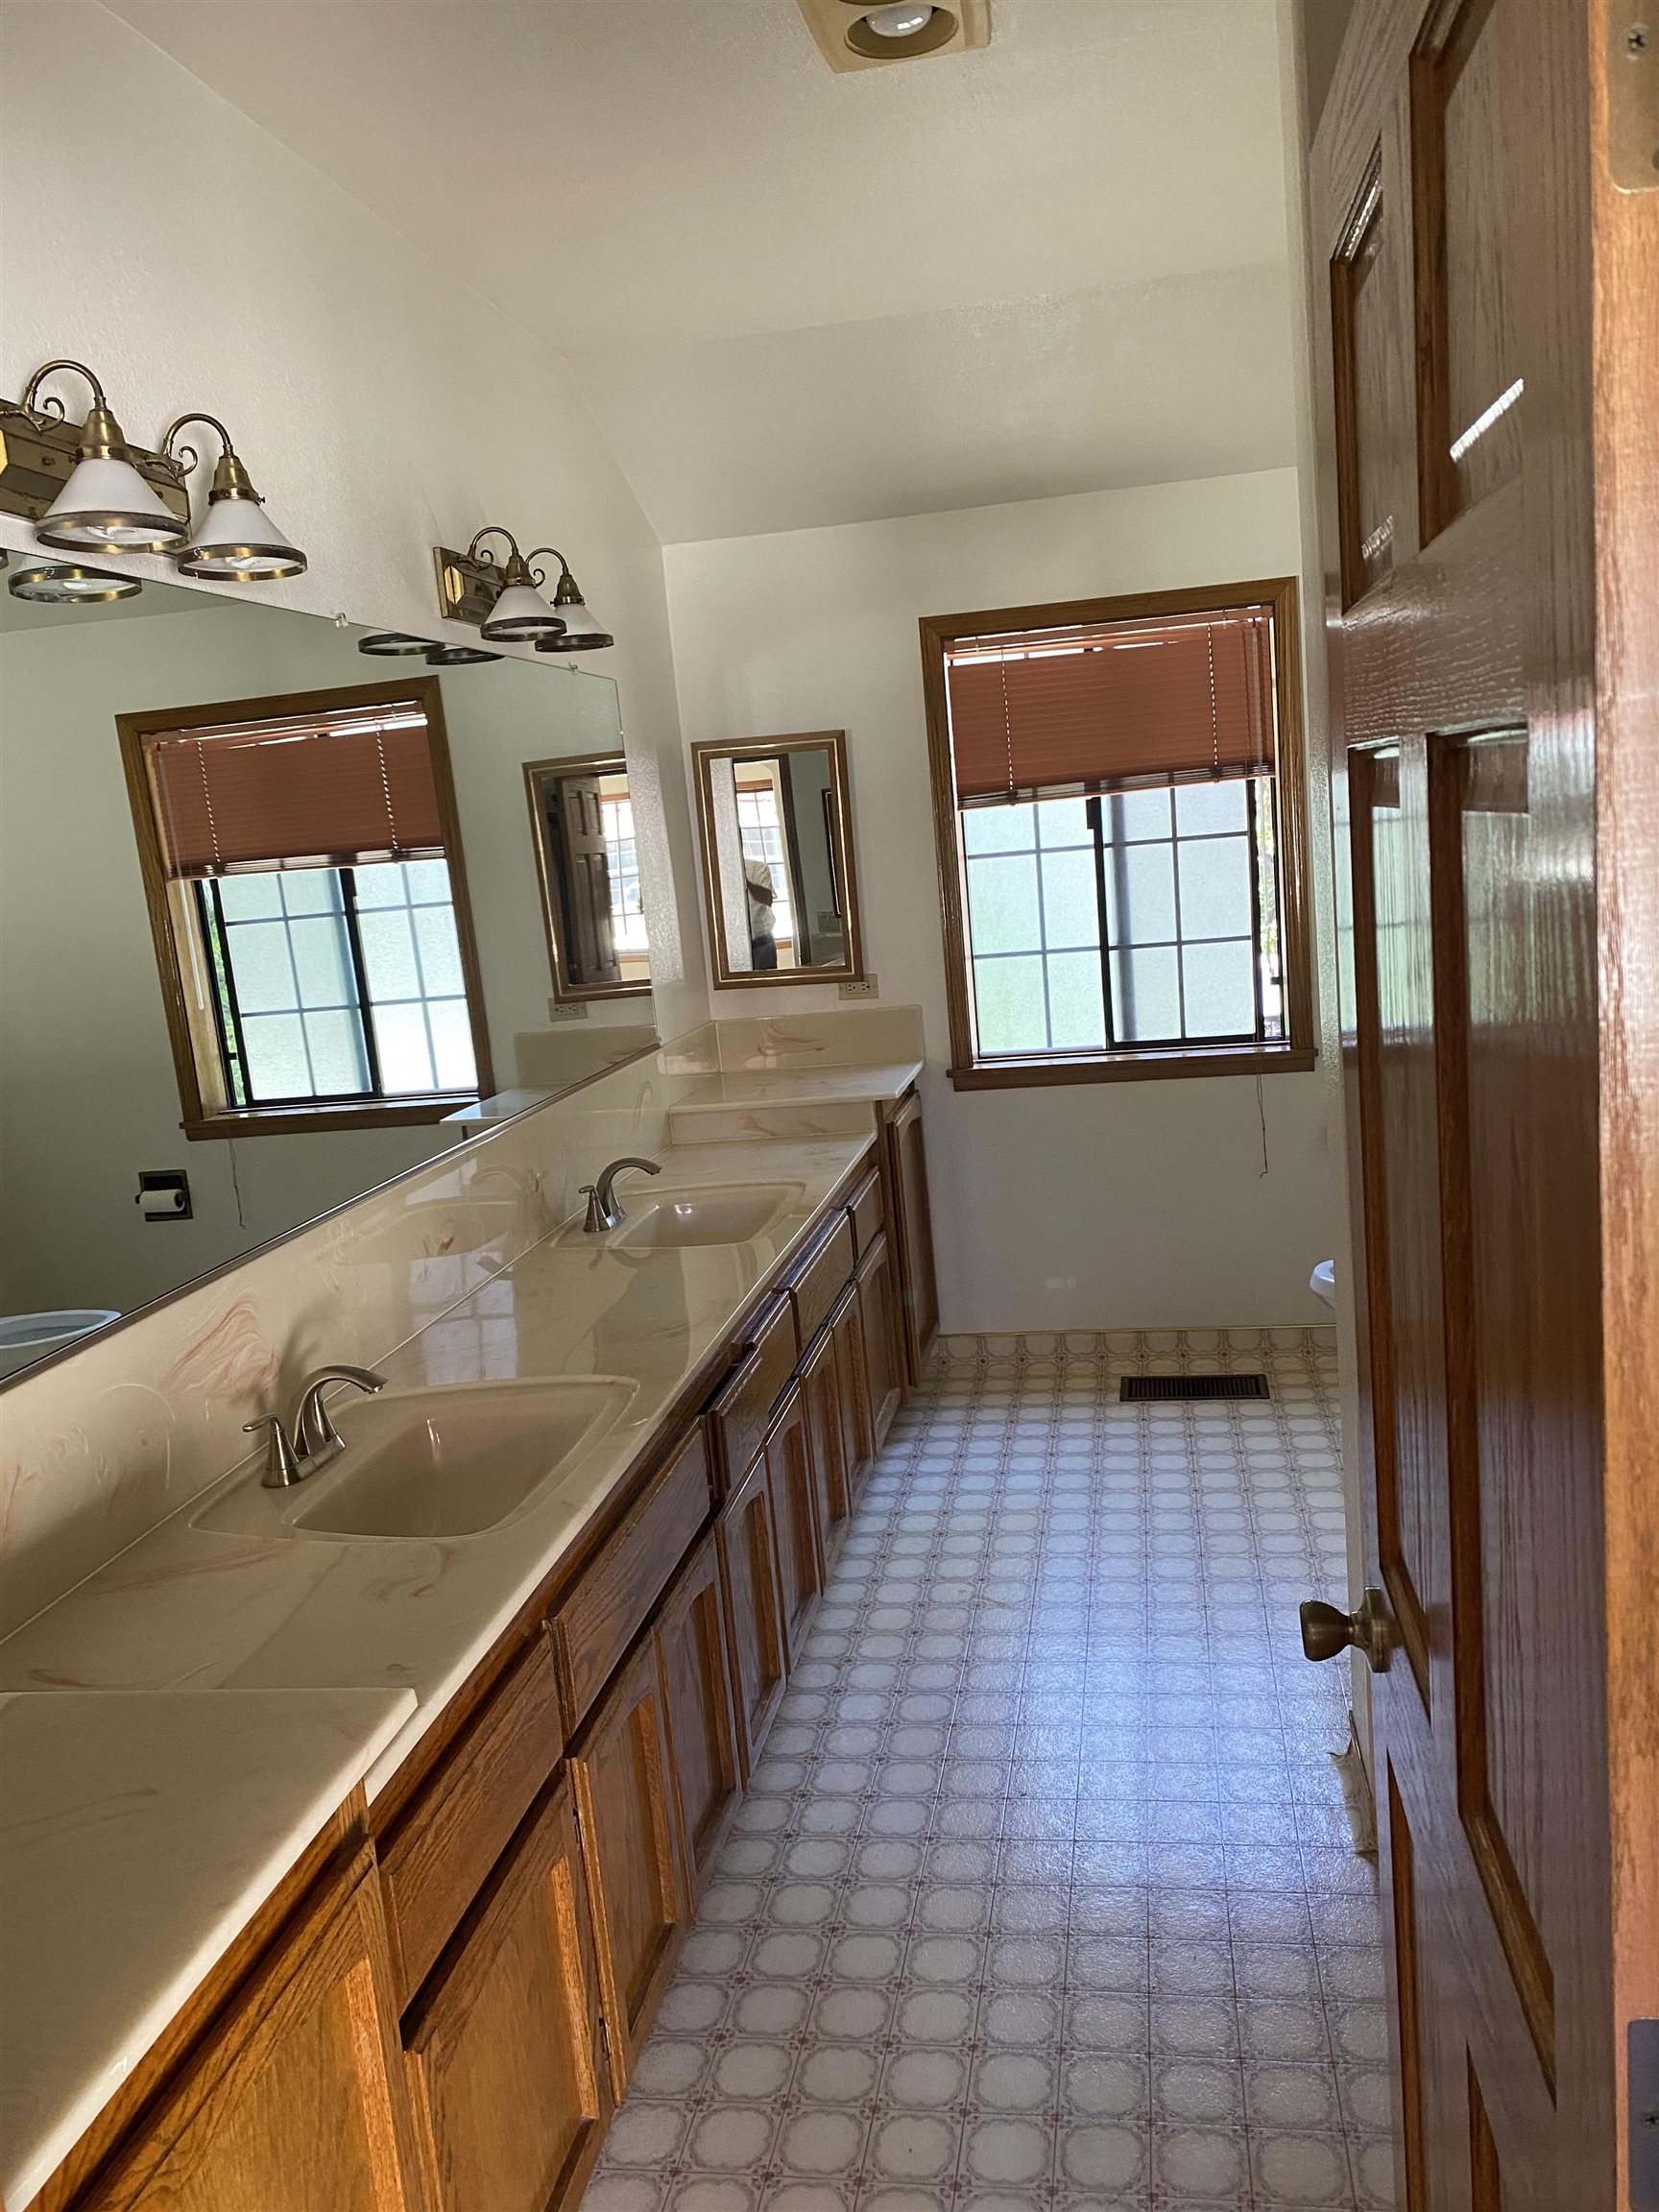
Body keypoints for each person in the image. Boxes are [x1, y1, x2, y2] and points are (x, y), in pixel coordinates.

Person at [744, 857, 778, 969]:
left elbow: (767, 899)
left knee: (768, 985)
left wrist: (746, 882)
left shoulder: (759, 868)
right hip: (733, 947)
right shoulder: (719, 871)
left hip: (762, 944)